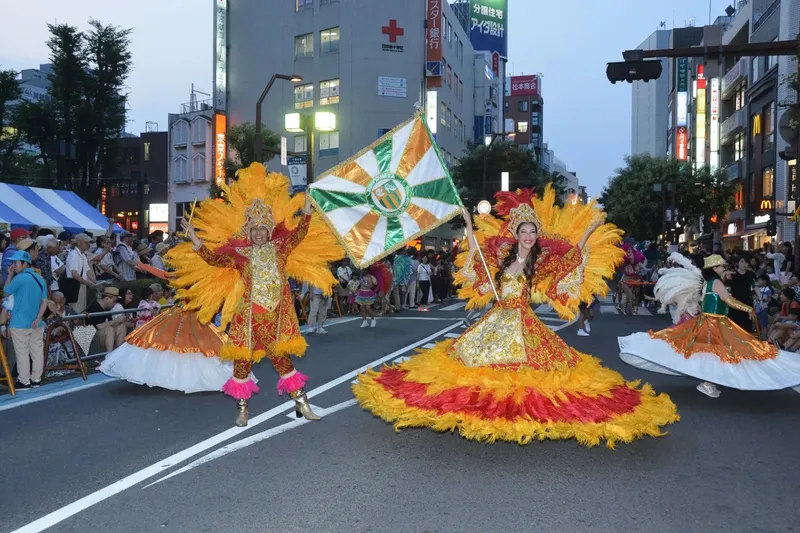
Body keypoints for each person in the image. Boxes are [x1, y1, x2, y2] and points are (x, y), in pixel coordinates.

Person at [353, 187, 678, 447]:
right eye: (523, 231)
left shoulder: (540, 262)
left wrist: (591, 228)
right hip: (496, 320)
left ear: (536, 236)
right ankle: (483, 414)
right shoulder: (500, 258)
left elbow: (570, 260)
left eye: (532, 232)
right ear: (515, 233)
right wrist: (467, 222)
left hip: (524, 322)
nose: (527, 236)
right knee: (474, 370)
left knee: (531, 375)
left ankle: (519, 416)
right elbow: (477, 261)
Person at [173, 163, 343, 426]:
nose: (259, 233)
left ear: (268, 230)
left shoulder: (280, 248)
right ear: (249, 232)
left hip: (275, 317)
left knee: (282, 360)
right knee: (242, 362)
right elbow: (213, 259)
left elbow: (299, 233)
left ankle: (302, 403)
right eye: (255, 230)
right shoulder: (241, 255)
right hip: (248, 317)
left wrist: (307, 210)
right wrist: (195, 238)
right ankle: (242, 408)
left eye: (263, 229)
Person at [619, 253, 800, 398]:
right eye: (721, 266)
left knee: (712, 353)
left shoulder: (709, 283)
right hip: (714, 323)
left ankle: (710, 382)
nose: (724, 268)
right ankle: (708, 383)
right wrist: (748, 309)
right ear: (714, 268)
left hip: (709, 322)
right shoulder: (717, 283)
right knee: (720, 352)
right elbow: (728, 300)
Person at [4, 250, 48, 390]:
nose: (13, 266)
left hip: (19, 322)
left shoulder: (20, 278)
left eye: (16, 263)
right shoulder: (40, 279)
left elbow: (5, 292)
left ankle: (24, 381)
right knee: (36, 352)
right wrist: (38, 318)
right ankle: (36, 379)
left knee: (22, 352)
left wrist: (10, 275)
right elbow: (44, 302)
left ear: (24, 264)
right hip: (37, 323)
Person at [87, 287, 128, 353]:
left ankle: (119, 354)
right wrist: (116, 320)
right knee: (109, 330)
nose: (115, 304)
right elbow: (99, 326)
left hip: (102, 335)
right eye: (114, 301)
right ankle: (109, 357)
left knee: (122, 326)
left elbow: (109, 322)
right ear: (106, 298)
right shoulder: (95, 307)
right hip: (91, 337)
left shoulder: (107, 308)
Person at [65, 233, 97, 313]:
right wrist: (88, 283)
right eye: (86, 242)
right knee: (76, 312)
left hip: (81, 286)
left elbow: (84, 274)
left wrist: (91, 283)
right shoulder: (74, 255)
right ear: (79, 243)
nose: (88, 244)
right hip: (75, 286)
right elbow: (74, 274)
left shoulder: (82, 255)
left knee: (81, 311)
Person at [727, 257, 756, 332]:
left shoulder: (751, 274)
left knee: (746, 327)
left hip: (747, 303)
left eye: (746, 262)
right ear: (738, 263)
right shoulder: (732, 275)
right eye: (742, 262)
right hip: (735, 303)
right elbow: (727, 288)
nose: (744, 264)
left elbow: (755, 287)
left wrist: (760, 299)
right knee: (734, 327)